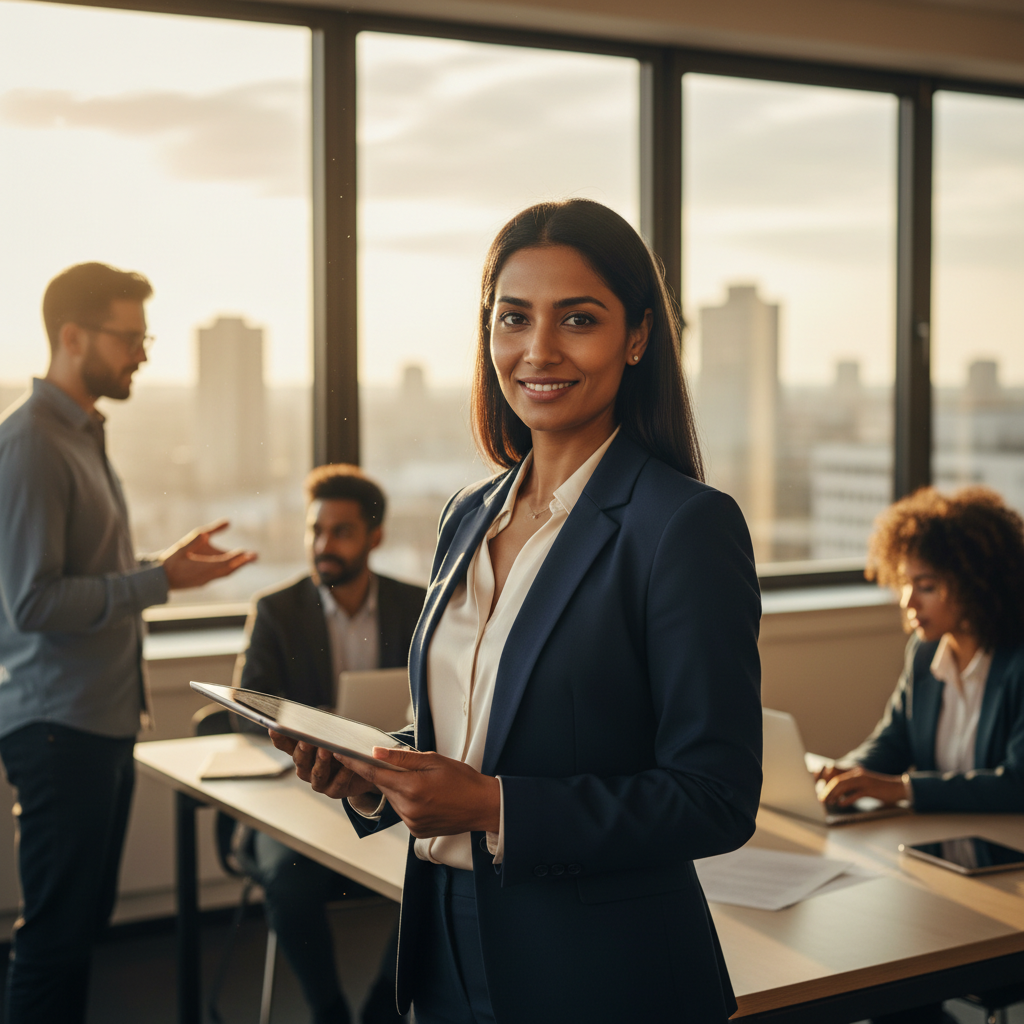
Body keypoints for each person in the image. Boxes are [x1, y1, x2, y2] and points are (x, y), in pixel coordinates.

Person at [272, 199, 763, 1023]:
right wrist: (376, 774)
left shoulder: (682, 525)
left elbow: (715, 796)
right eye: (513, 319)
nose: (538, 351)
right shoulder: (469, 513)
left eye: (578, 319)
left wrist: (496, 807)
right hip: (443, 944)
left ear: (637, 337)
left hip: (598, 971)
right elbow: (481, 736)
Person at [0, 262, 257, 1024]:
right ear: (72, 336)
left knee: (79, 930)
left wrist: (162, 568)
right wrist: (158, 582)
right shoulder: (33, 445)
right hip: (59, 727)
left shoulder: (81, 434)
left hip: (95, 722)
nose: (142, 353)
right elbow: (33, 601)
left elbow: (85, 576)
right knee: (56, 937)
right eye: (129, 336)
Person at [233, 463, 425, 1024]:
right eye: (316, 530)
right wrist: (312, 738)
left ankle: (380, 1013)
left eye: (341, 531)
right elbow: (248, 710)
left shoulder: (415, 604)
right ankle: (329, 1012)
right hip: (301, 789)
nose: (324, 544)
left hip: (384, 789)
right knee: (288, 886)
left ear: (375, 537)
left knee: (430, 867)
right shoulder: (277, 609)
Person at [818, 486, 1024, 814]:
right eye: (905, 583)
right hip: (943, 840)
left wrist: (903, 789)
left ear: (976, 582)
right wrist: (844, 772)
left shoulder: (1017, 662)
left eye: (926, 587)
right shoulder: (925, 652)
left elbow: (1017, 784)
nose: (907, 602)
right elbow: (893, 742)